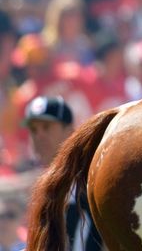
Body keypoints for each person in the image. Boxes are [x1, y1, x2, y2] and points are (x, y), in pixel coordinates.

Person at [23, 95, 103, 251]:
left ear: (69, 132)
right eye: (33, 129)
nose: (39, 135)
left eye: (46, 127)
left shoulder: (89, 180)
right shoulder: (41, 188)